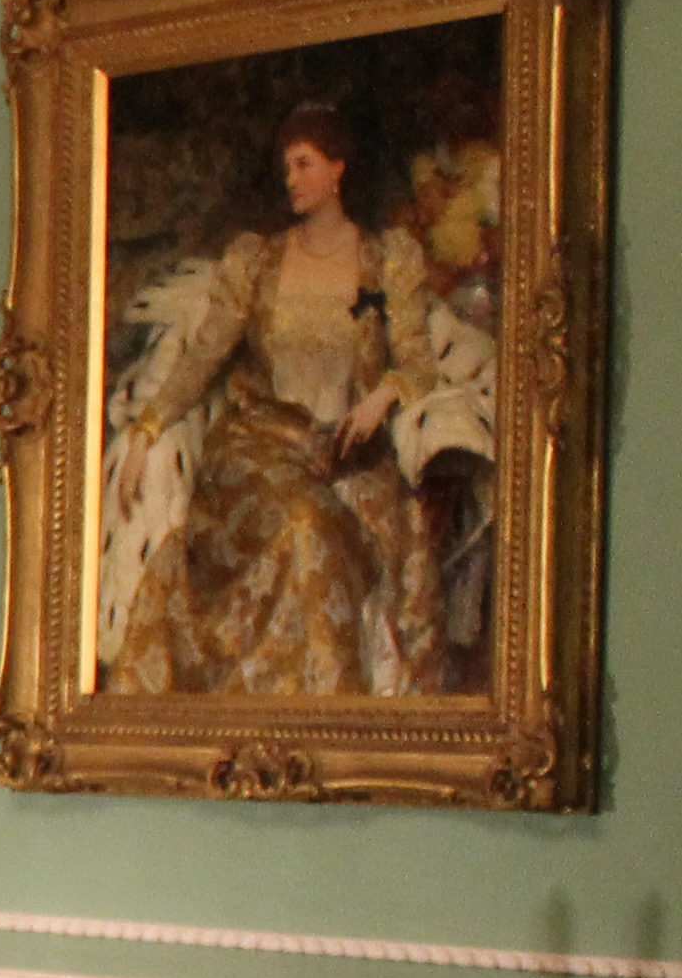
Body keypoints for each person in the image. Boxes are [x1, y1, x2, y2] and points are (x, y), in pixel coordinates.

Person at [97, 102, 477, 699]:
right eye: (286, 167)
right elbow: (203, 354)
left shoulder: (384, 260)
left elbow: (417, 362)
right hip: (258, 446)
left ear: (337, 169)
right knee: (307, 522)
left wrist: (382, 396)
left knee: (358, 527)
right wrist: (147, 427)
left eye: (303, 164)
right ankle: (314, 707)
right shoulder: (259, 261)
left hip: (345, 452)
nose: (291, 179)